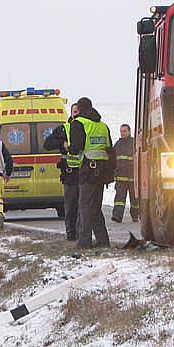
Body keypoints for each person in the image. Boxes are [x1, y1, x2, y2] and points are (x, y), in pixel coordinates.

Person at [67, 97, 116, 249]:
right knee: (95, 207)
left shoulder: (79, 123)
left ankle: (84, 241)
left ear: (80, 109)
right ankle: (102, 240)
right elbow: (110, 149)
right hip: (102, 171)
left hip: (87, 168)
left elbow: (76, 147)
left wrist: (68, 147)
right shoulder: (102, 125)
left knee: (85, 206)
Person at [43, 103, 81, 241]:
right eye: (74, 111)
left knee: (84, 207)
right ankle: (71, 234)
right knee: (70, 206)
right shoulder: (64, 129)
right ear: (71, 113)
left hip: (85, 173)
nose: (76, 114)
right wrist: (61, 142)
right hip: (70, 174)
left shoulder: (87, 128)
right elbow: (47, 145)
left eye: (78, 111)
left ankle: (83, 235)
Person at [111, 124, 139, 223]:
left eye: (124, 131)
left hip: (132, 178)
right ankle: (117, 216)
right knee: (119, 199)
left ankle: (135, 216)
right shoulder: (117, 144)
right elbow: (113, 160)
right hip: (121, 178)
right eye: (121, 131)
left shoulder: (134, 143)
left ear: (129, 131)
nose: (122, 133)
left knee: (135, 200)